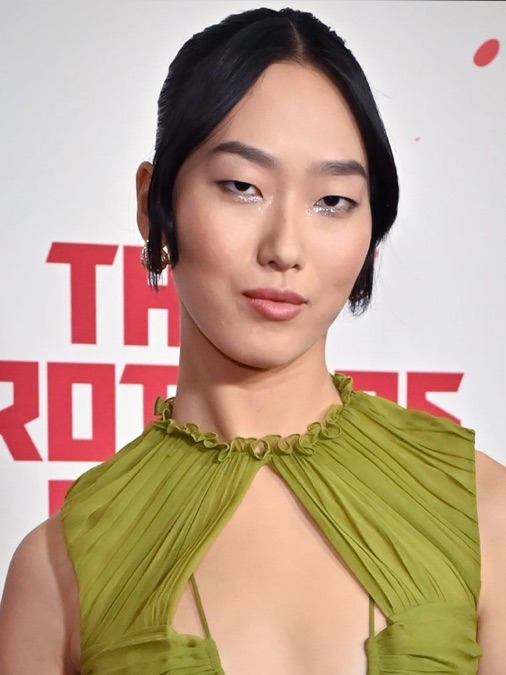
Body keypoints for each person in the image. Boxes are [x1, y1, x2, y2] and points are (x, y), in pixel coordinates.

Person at [0, 6, 505, 674]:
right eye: (242, 187)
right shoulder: (56, 570)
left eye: (333, 201)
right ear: (154, 204)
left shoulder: (480, 510)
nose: (285, 247)